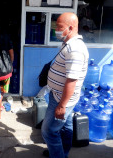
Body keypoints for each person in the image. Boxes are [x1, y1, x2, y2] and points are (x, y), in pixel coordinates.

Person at [42, 12, 89, 158]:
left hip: (62, 98)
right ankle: (62, 153)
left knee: (48, 130)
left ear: (70, 27)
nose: (56, 29)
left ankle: (57, 155)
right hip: (60, 95)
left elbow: (72, 80)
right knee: (66, 128)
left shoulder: (74, 49)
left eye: (59, 27)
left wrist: (62, 105)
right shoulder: (68, 44)